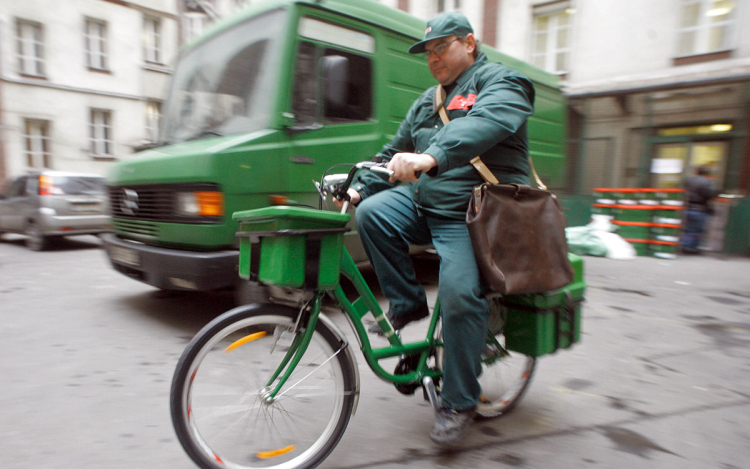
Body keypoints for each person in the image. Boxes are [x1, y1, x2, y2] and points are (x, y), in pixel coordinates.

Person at [339, 12, 535, 444]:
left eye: (441, 47)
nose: (433, 58)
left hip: (472, 214)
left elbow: (482, 126)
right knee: (371, 213)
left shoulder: (504, 83)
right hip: (424, 203)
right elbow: (393, 151)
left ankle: (460, 401)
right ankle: (408, 304)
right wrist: (357, 188)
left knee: (460, 293)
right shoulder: (427, 101)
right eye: (428, 51)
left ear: (469, 42)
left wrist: (430, 157)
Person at [680, 166, 716, 254]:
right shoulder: (707, 181)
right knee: (697, 230)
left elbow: (683, 192)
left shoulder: (689, 180)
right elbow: (709, 195)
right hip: (700, 209)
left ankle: (685, 246)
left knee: (688, 229)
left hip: (688, 208)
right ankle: (692, 248)